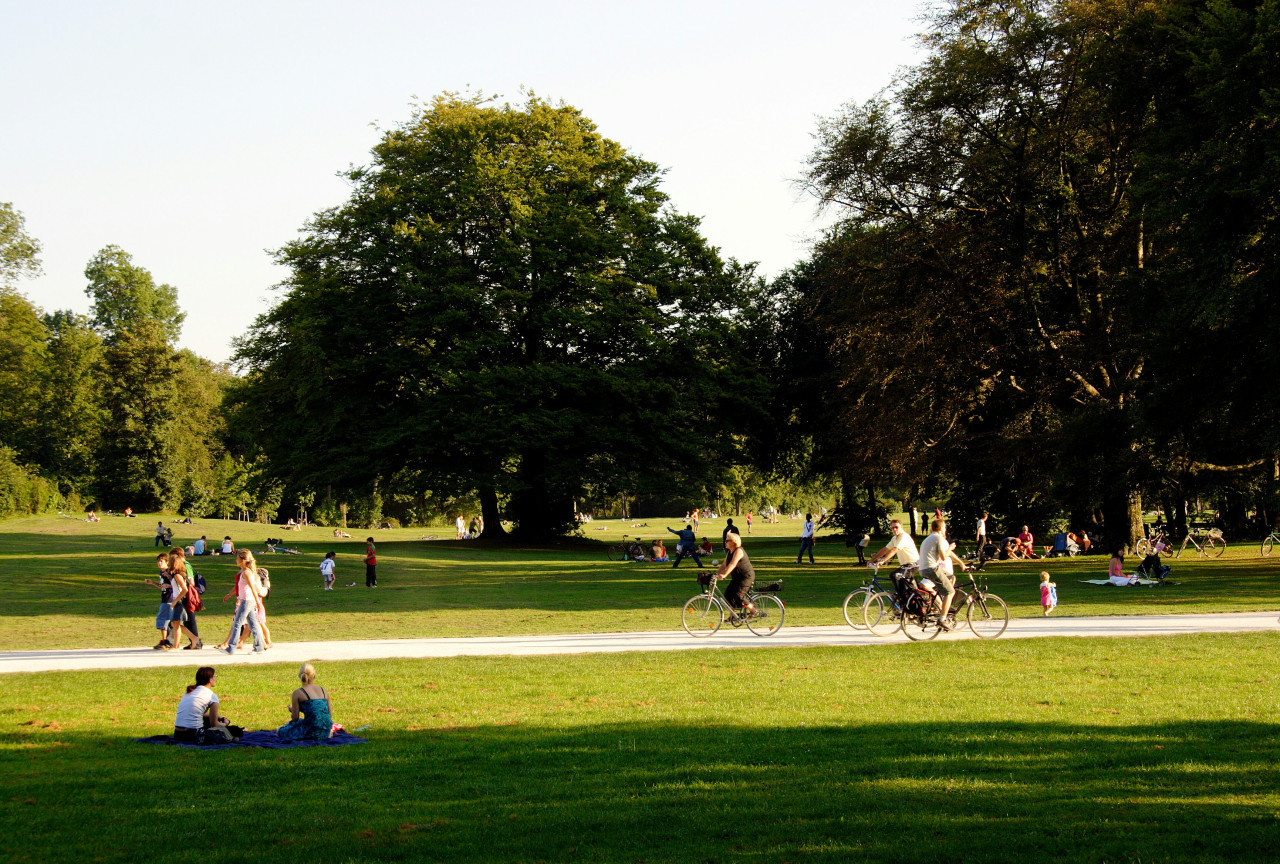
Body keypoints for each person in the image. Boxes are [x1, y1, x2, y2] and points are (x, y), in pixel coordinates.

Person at [918, 518, 967, 629]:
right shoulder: (939, 538)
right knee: (950, 592)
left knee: (951, 576)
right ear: (940, 528)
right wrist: (950, 548)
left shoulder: (929, 538)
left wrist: (961, 564)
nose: (945, 530)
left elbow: (948, 553)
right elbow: (944, 557)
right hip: (931, 568)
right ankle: (942, 619)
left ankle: (939, 602)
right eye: (945, 527)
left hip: (924, 569)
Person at [221, 549, 265, 654]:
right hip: (247, 601)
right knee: (252, 624)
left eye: (237, 558)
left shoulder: (246, 573)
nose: (236, 560)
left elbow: (253, 587)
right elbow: (238, 587)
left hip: (247, 602)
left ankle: (231, 648)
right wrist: (229, 595)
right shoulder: (244, 572)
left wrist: (258, 603)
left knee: (237, 623)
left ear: (243, 560)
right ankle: (259, 647)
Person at [277, 663, 334, 742]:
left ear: (300, 676)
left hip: (310, 731)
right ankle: (325, 734)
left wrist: (293, 710)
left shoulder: (297, 693)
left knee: (281, 730)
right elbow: (328, 714)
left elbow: (295, 718)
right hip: (325, 730)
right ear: (314, 675)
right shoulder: (323, 690)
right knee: (304, 722)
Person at [173, 667, 230, 744]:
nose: (215, 678)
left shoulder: (190, 692)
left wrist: (219, 716)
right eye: (214, 676)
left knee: (206, 720)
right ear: (210, 679)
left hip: (177, 734)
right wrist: (225, 723)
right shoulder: (211, 696)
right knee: (228, 732)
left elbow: (197, 712)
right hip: (193, 734)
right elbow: (214, 724)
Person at [164, 547, 202, 650]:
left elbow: (184, 590)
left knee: (175, 623)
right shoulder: (177, 575)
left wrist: (175, 601)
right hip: (178, 601)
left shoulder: (177, 575)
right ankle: (184, 642)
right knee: (175, 624)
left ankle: (193, 638)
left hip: (179, 601)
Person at [716, 532, 757, 619]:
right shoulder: (730, 552)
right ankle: (732, 616)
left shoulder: (739, 551)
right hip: (737, 577)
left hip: (746, 576)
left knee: (739, 595)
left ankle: (753, 610)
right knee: (728, 595)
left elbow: (732, 564)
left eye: (727, 540)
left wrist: (724, 575)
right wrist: (716, 574)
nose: (725, 542)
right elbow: (724, 565)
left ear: (734, 542)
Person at [145, 553, 174, 649]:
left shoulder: (169, 572)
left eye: (161, 561)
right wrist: (152, 583)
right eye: (158, 561)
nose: (159, 563)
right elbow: (162, 586)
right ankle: (167, 640)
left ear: (167, 562)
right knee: (166, 620)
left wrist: (169, 579)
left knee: (163, 619)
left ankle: (165, 640)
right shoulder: (161, 573)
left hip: (170, 598)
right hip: (164, 597)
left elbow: (176, 584)